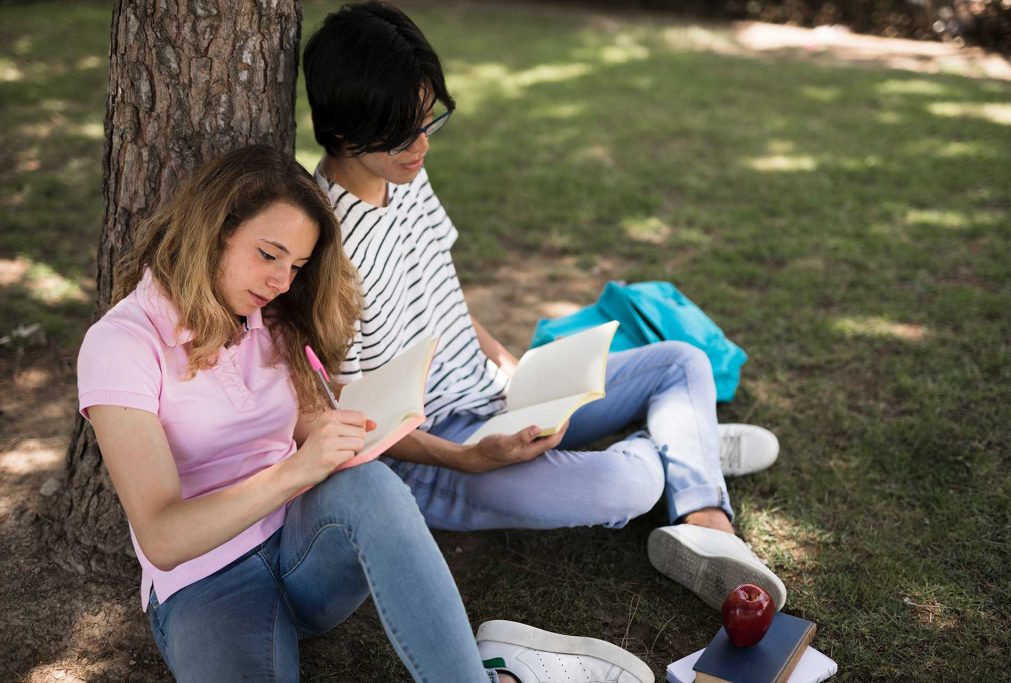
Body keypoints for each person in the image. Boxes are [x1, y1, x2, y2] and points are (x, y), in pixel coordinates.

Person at [76, 145, 656, 683]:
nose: (281, 282)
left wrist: (433, 447)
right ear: (211, 231)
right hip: (205, 585)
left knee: (370, 484)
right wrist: (299, 470)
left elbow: (318, 428)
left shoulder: (267, 320)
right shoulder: (121, 344)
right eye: (268, 255)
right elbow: (162, 536)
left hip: (311, 548)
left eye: (297, 266)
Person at [304, 1, 789, 614]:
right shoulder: (330, 255)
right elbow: (360, 421)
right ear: (346, 129)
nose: (422, 144)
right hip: (438, 458)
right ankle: (678, 443)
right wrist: (468, 459)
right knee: (630, 482)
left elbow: (440, 296)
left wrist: (514, 370)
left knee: (682, 361)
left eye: (430, 120)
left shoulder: (403, 175)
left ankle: (707, 519)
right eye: (404, 131)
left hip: (495, 398)